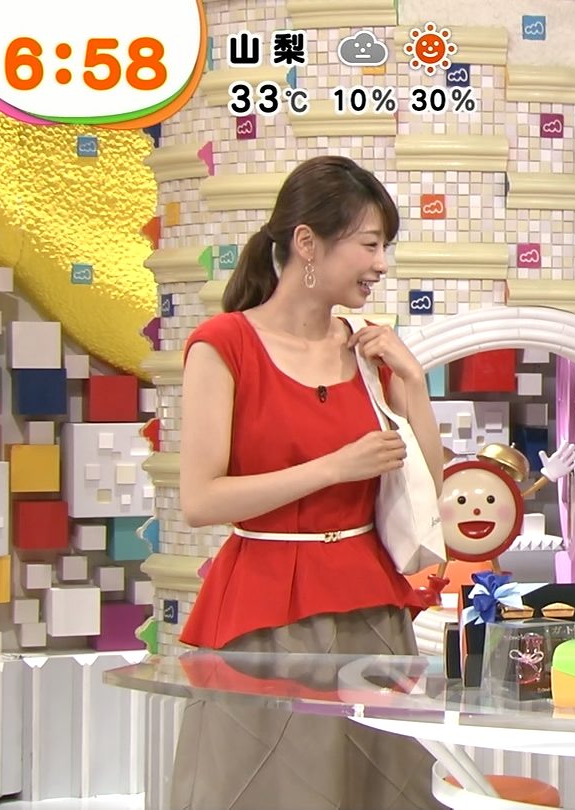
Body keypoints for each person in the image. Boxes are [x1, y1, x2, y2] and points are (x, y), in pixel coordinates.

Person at [168, 155, 446, 810]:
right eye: (369, 245)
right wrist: (333, 468)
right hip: (264, 612)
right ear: (307, 243)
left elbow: (429, 487)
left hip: (370, 610)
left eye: (384, 247)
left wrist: (413, 383)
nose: (381, 264)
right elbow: (201, 499)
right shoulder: (224, 345)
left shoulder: (370, 350)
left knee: (382, 791)